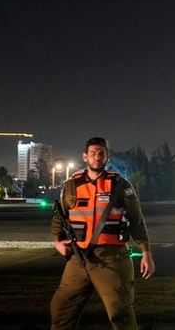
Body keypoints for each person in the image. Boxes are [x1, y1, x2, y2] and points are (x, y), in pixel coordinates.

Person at [50, 137, 155, 330]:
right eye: (93, 153)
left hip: (112, 258)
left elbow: (137, 220)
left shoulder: (120, 186)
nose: (97, 157)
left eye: (101, 153)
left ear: (107, 156)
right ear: (85, 156)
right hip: (79, 259)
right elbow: (59, 216)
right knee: (60, 312)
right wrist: (57, 241)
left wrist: (146, 252)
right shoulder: (72, 185)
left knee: (120, 314)